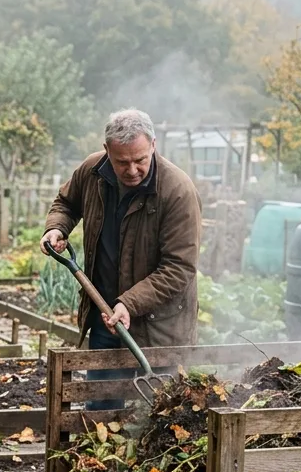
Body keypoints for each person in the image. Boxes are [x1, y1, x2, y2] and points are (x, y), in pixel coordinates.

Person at [41, 109, 201, 404]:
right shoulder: (93, 172)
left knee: (157, 415)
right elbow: (66, 201)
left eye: (140, 160)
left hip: (160, 327)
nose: (131, 170)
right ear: (106, 151)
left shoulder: (177, 192)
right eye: (122, 162)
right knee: (101, 406)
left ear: (153, 145)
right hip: (106, 316)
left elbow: (179, 267)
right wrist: (56, 228)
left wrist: (130, 302)